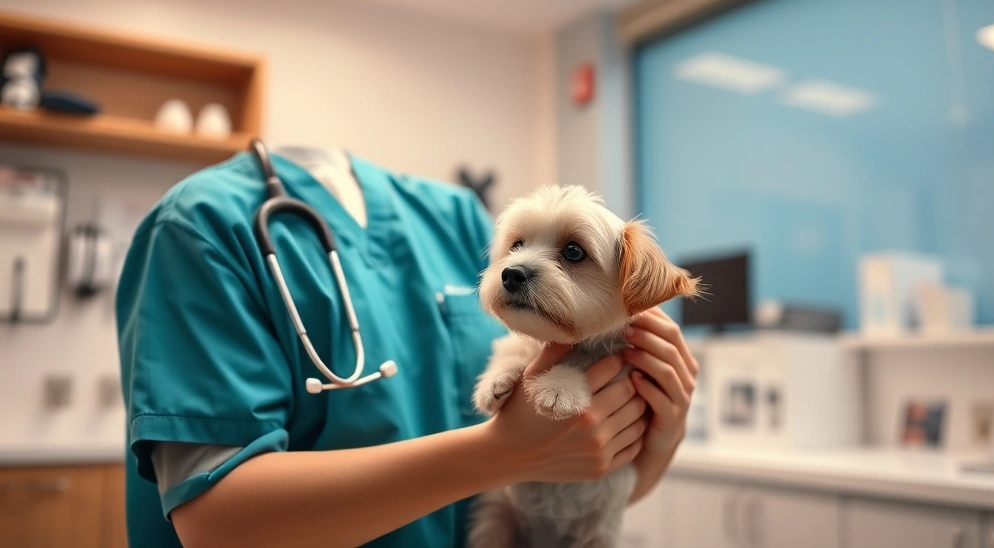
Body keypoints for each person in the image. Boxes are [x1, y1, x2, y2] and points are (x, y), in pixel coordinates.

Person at [116, 146, 699, 548]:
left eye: (569, 253)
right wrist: (503, 451)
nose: (521, 265)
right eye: (518, 246)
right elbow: (218, 525)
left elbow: (568, 484)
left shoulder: (456, 217)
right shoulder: (203, 226)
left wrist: (659, 440)